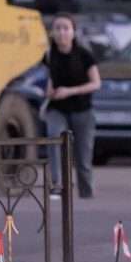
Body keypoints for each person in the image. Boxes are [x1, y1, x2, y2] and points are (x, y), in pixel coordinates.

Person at [40, 12, 101, 199]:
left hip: (82, 109)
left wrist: (70, 91)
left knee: (82, 157)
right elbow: (49, 77)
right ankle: (57, 187)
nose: (62, 33)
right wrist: (49, 90)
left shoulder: (84, 55)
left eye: (66, 28)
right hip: (57, 108)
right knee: (55, 142)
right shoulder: (49, 54)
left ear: (73, 32)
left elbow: (96, 83)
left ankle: (86, 194)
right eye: (57, 28)